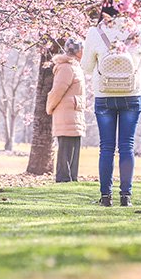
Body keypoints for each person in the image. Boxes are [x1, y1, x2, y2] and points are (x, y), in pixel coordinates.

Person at [81, 0, 141, 207]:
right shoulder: (138, 30)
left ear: (104, 7)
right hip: (131, 94)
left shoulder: (95, 32)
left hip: (104, 95)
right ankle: (126, 196)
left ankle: (105, 196)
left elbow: (86, 67)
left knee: (106, 147)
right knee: (126, 146)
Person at [46, 38, 86, 183]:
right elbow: (57, 91)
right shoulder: (66, 68)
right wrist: (49, 107)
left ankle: (71, 177)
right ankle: (63, 178)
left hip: (74, 113)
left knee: (73, 146)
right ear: (78, 51)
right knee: (66, 147)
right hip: (67, 113)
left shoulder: (74, 67)